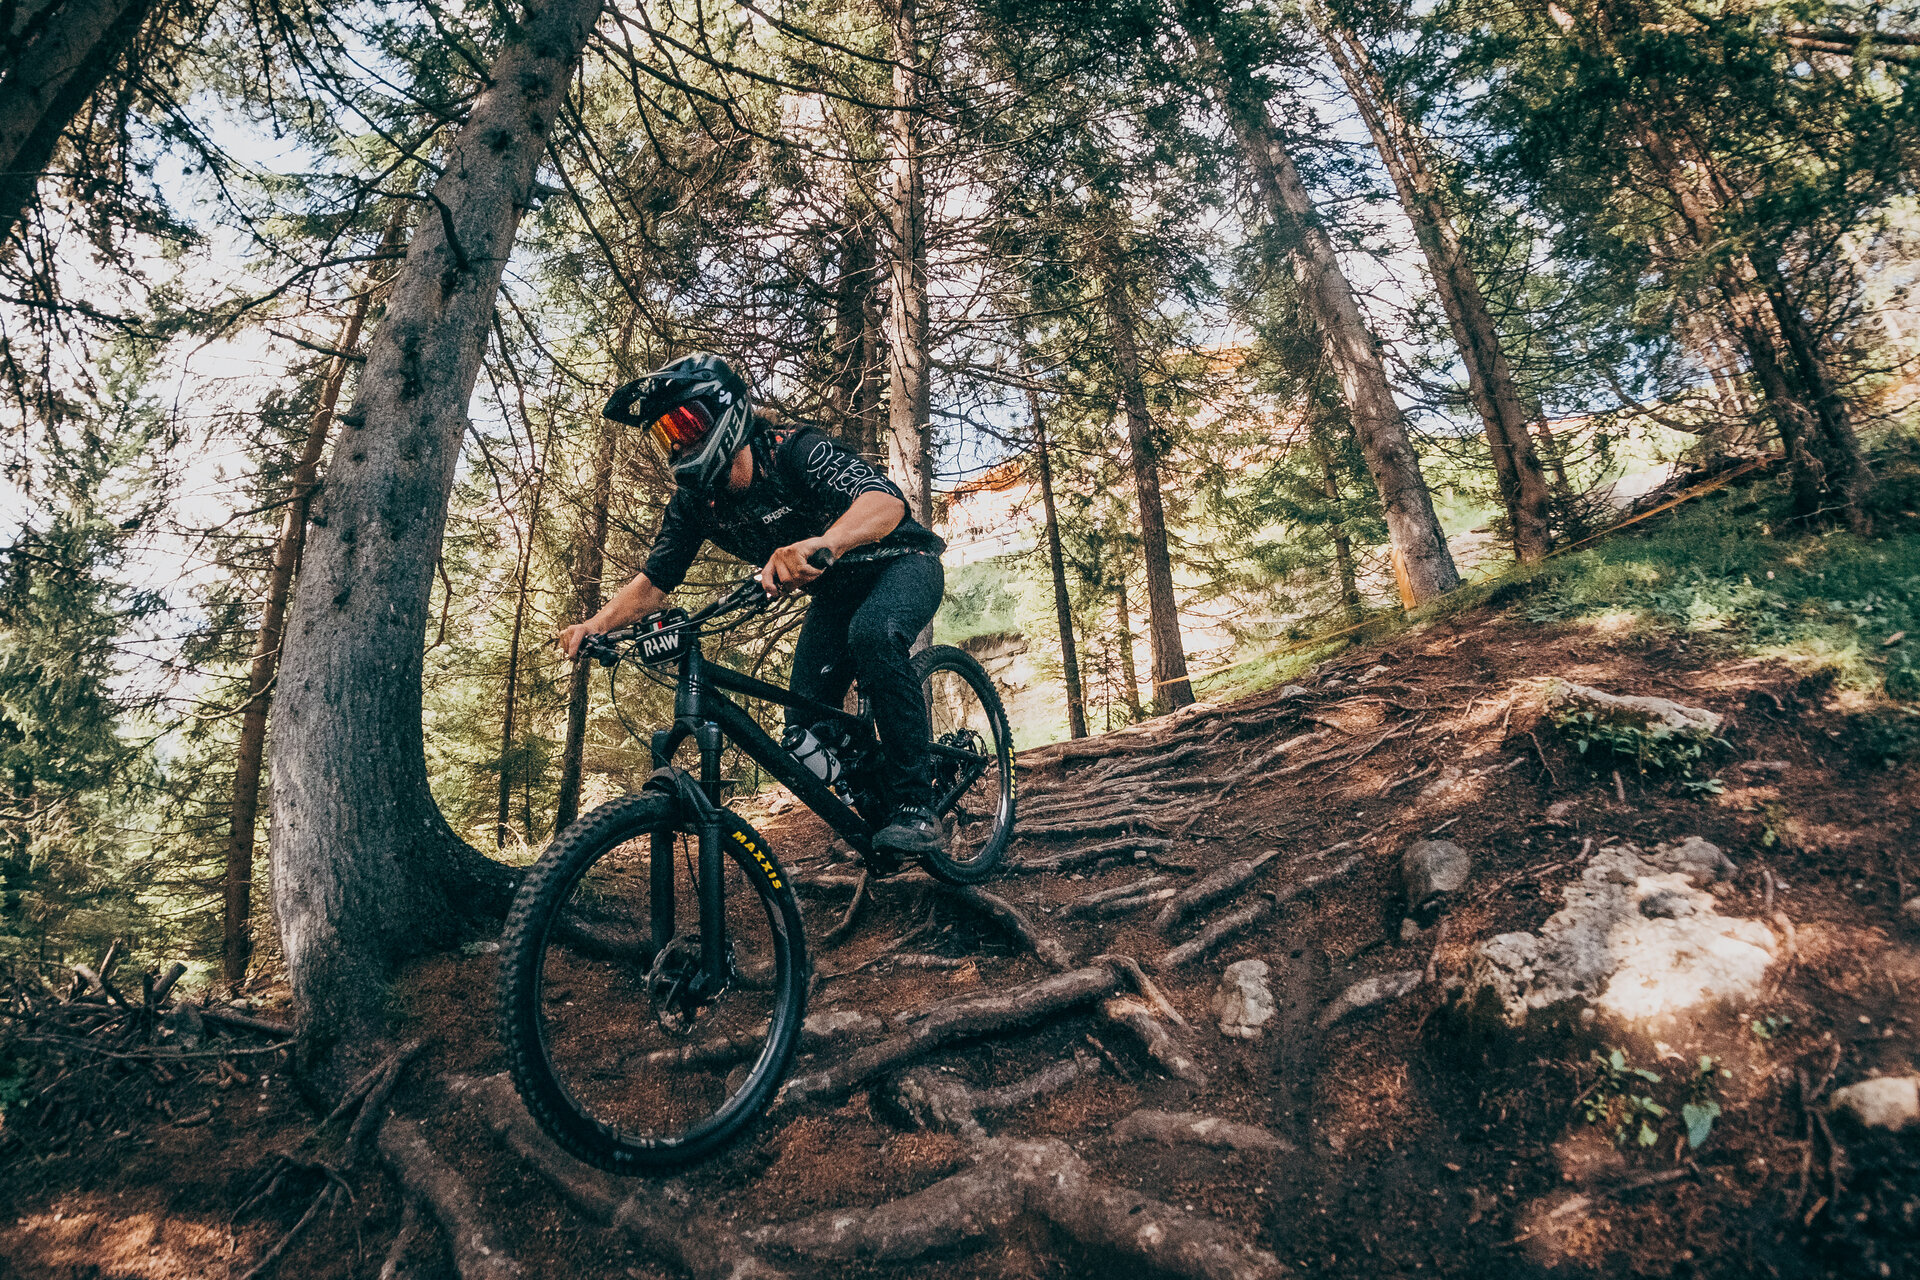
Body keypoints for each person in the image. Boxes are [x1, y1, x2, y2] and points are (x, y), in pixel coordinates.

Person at [556, 353, 949, 860]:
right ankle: (878, 810)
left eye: (685, 423)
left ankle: (917, 807)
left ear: (726, 414)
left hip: (904, 563)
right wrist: (595, 624)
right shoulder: (696, 503)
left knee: (872, 635)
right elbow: (654, 582)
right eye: (666, 434)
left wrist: (824, 542)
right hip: (835, 595)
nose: (678, 442)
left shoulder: (794, 450)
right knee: (805, 734)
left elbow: (886, 502)